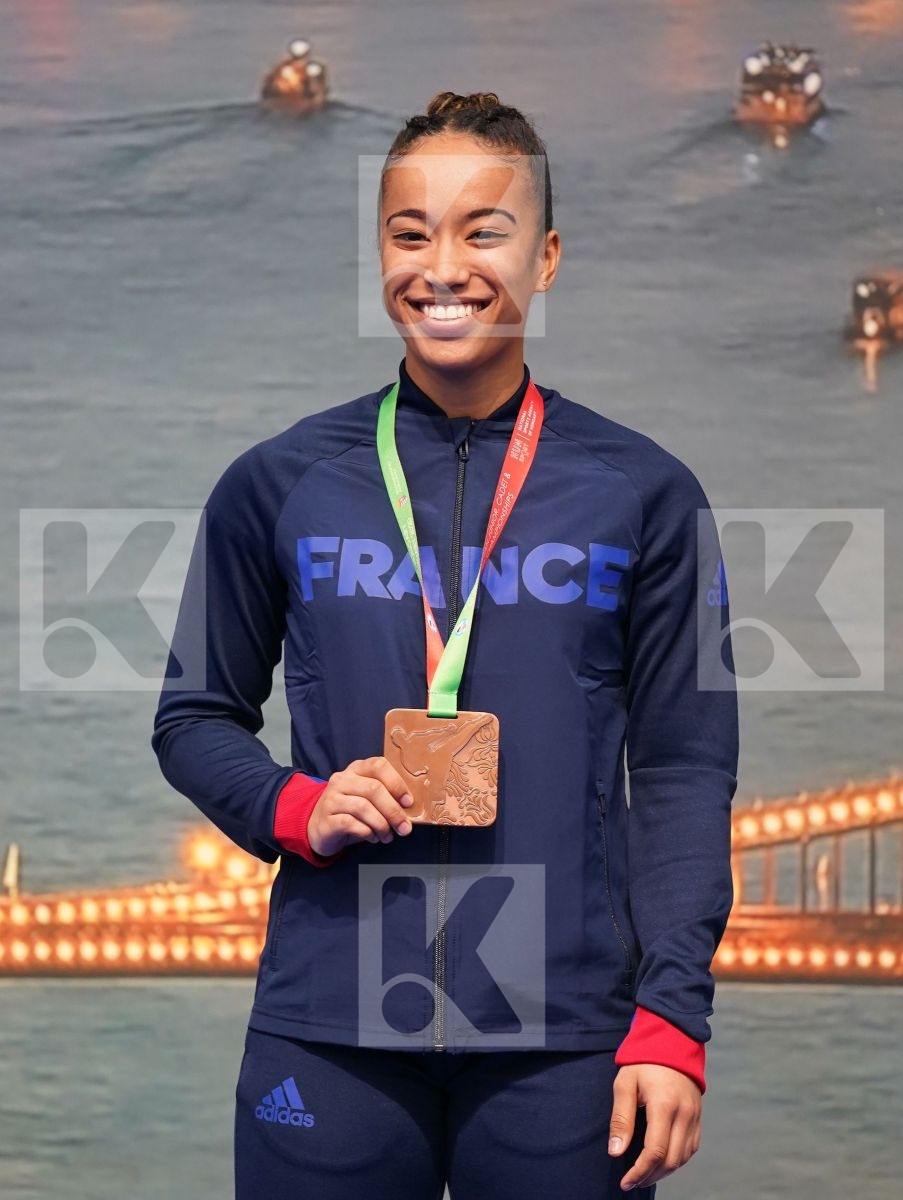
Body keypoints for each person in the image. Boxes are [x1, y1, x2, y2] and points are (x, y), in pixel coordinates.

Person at [152, 89, 739, 1200]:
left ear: (548, 255)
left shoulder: (646, 494)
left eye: (485, 229)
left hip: (566, 1039)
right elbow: (193, 719)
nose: (443, 266)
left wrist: (670, 1017)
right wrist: (295, 808)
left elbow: (682, 769)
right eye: (410, 232)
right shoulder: (280, 482)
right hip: (329, 1022)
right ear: (380, 250)